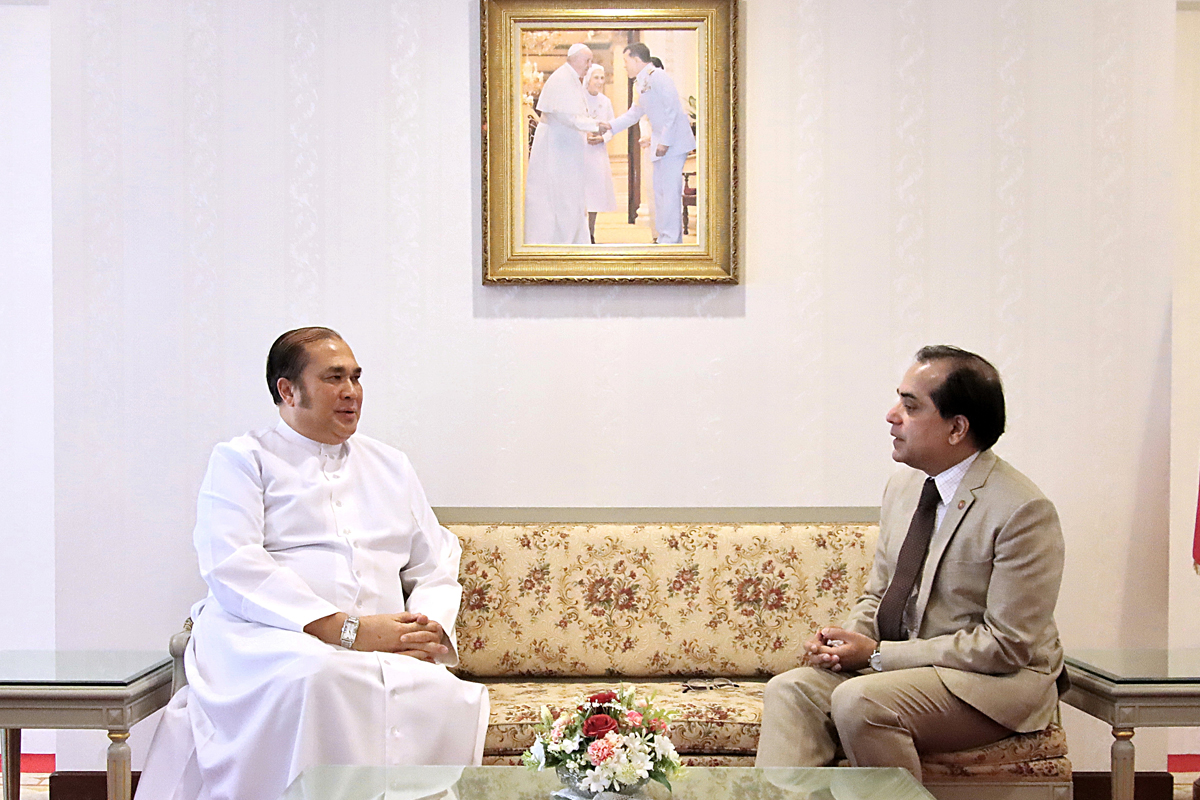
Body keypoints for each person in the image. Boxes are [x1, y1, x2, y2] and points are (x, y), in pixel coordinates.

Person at [135, 327, 489, 800]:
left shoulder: (391, 465)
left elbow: (436, 561)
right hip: (270, 636)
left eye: (356, 378)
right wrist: (345, 629)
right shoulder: (244, 460)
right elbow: (232, 564)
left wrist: (423, 629)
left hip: (385, 641)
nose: (351, 392)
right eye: (334, 378)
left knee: (437, 690)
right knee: (319, 676)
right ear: (288, 390)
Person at [755, 346, 1066, 781]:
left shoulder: (1022, 510)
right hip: (905, 670)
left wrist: (880, 655)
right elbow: (879, 594)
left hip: (993, 684)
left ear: (957, 428)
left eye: (910, 406)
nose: (891, 416)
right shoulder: (903, 489)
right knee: (791, 689)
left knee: (860, 701)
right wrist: (844, 645)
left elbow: (1007, 645)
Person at [606, 43, 696, 244]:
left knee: (669, 192)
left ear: (637, 60)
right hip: (660, 143)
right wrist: (610, 126)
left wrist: (665, 142)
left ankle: (671, 239)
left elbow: (672, 109)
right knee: (660, 192)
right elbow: (634, 113)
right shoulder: (640, 82)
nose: (624, 66)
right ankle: (665, 236)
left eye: (626, 61)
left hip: (673, 142)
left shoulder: (659, 76)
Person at [524, 43, 609, 245]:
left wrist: (594, 124)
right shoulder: (562, 79)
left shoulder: (572, 79)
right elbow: (567, 117)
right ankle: (561, 242)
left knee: (571, 197)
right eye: (587, 60)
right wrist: (595, 125)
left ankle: (573, 241)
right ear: (574, 59)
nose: (590, 65)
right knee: (560, 197)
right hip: (556, 149)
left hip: (565, 149)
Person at [582, 64, 617, 243]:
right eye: (596, 77)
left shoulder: (606, 101)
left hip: (597, 154)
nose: (600, 81)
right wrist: (585, 135)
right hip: (580, 153)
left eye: (602, 78)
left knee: (594, 195)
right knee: (580, 194)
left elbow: (612, 127)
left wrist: (602, 138)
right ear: (588, 79)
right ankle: (579, 233)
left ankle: (590, 232)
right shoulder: (579, 99)